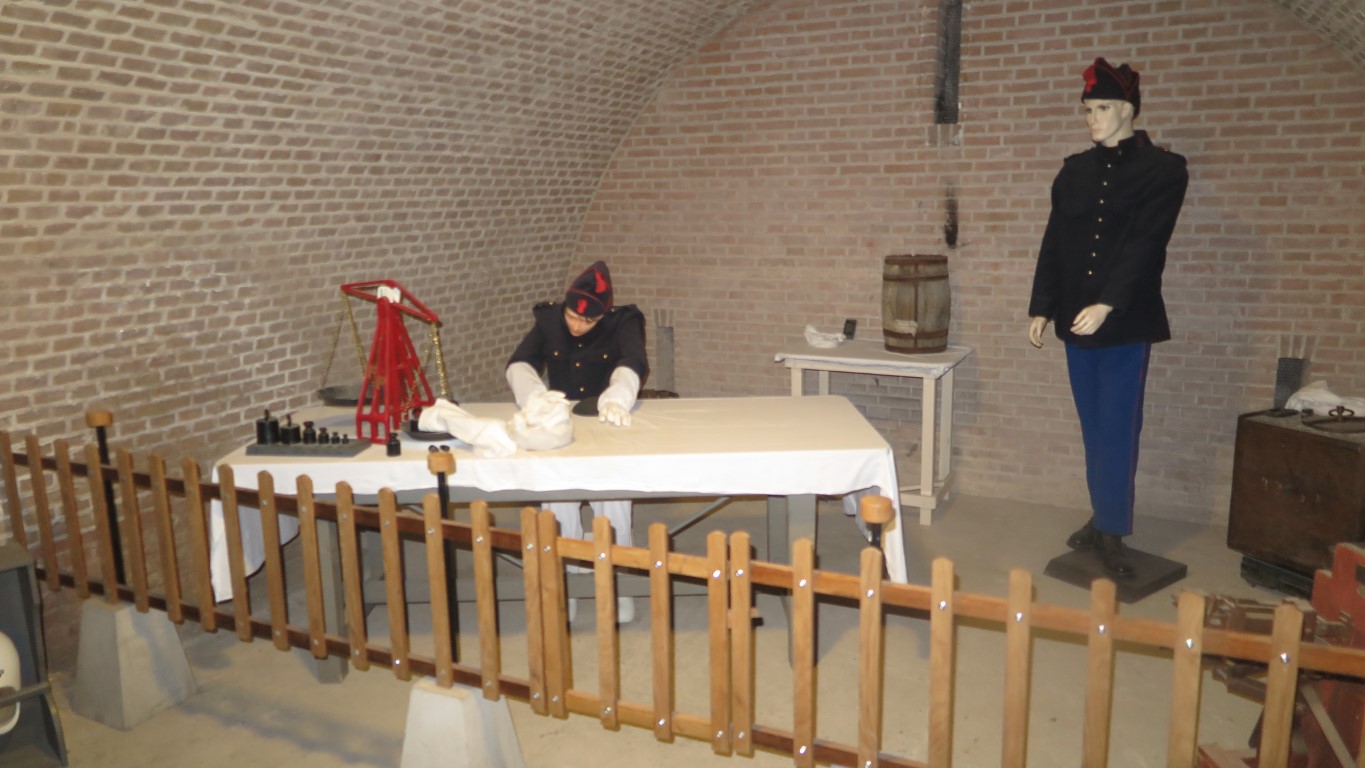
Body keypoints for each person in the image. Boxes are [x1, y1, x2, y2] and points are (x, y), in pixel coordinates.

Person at [1027, 58, 1189, 578]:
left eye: (1101, 108)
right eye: (1087, 110)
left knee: (1118, 427)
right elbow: (1055, 241)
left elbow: (1146, 243)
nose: (1091, 118)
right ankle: (1102, 516)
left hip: (1124, 320)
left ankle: (1113, 532)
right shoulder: (1074, 171)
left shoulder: (1164, 170)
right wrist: (1042, 305)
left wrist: (1108, 303)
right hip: (1076, 319)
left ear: (1128, 110)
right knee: (1093, 426)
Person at [506, 260, 649, 621]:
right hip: (560, 422)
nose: (576, 325)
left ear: (602, 315)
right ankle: (564, 584)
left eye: (587, 321)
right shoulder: (549, 319)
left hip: (605, 418)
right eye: (572, 316)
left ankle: (617, 584)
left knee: (612, 501)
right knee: (558, 504)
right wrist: (535, 398)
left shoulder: (624, 321)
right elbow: (520, 363)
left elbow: (633, 361)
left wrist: (617, 398)